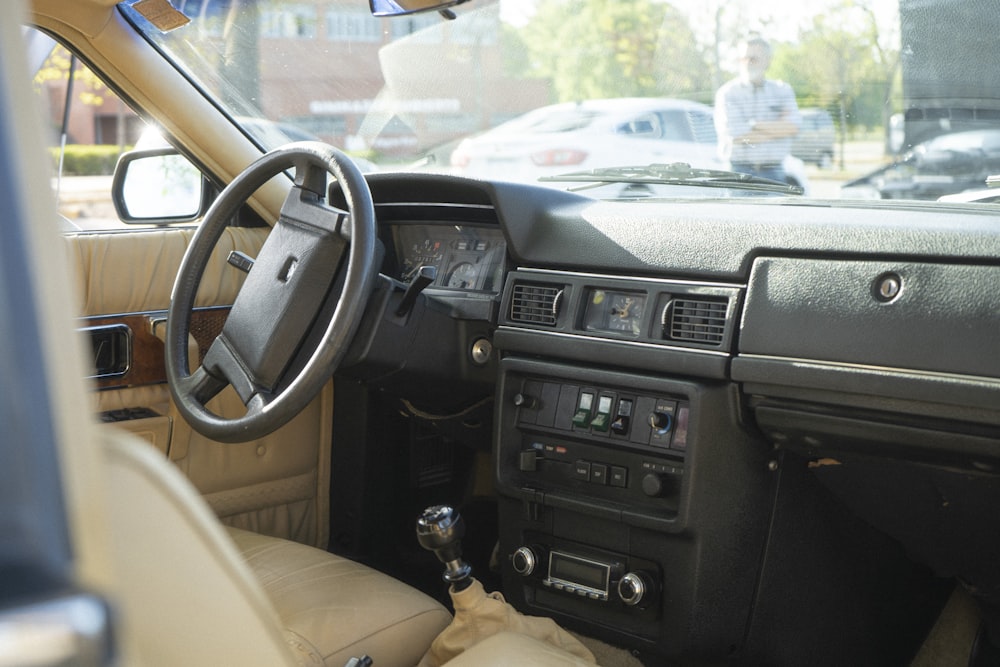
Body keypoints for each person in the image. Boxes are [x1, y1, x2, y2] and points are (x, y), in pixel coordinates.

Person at [714, 36, 801, 183]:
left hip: (774, 172)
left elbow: (793, 126)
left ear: (768, 61)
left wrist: (753, 125)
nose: (747, 63)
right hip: (737, 173)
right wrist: (778, 130)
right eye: (743, 58)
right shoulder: (728, 93)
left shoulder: (782, 91)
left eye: (753, 58)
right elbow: (735, 134)